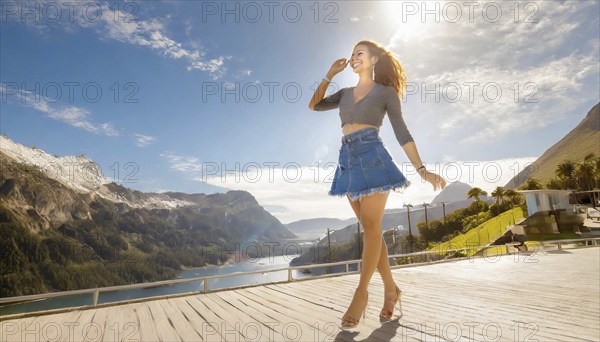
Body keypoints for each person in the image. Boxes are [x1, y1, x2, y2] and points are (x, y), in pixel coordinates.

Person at [308, 39, 447, 329]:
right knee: (372, 232)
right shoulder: (344, 93)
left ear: (373, 60)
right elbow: (314, 104)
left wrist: (422, 170)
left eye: (360, 53)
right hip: (347, 159)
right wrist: (329, 74)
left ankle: (361, 294)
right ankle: (392, 290)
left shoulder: (385, 93)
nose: (353, 57)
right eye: (352, 53)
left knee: (372, 228)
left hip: (373, 156)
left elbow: (402, 133)